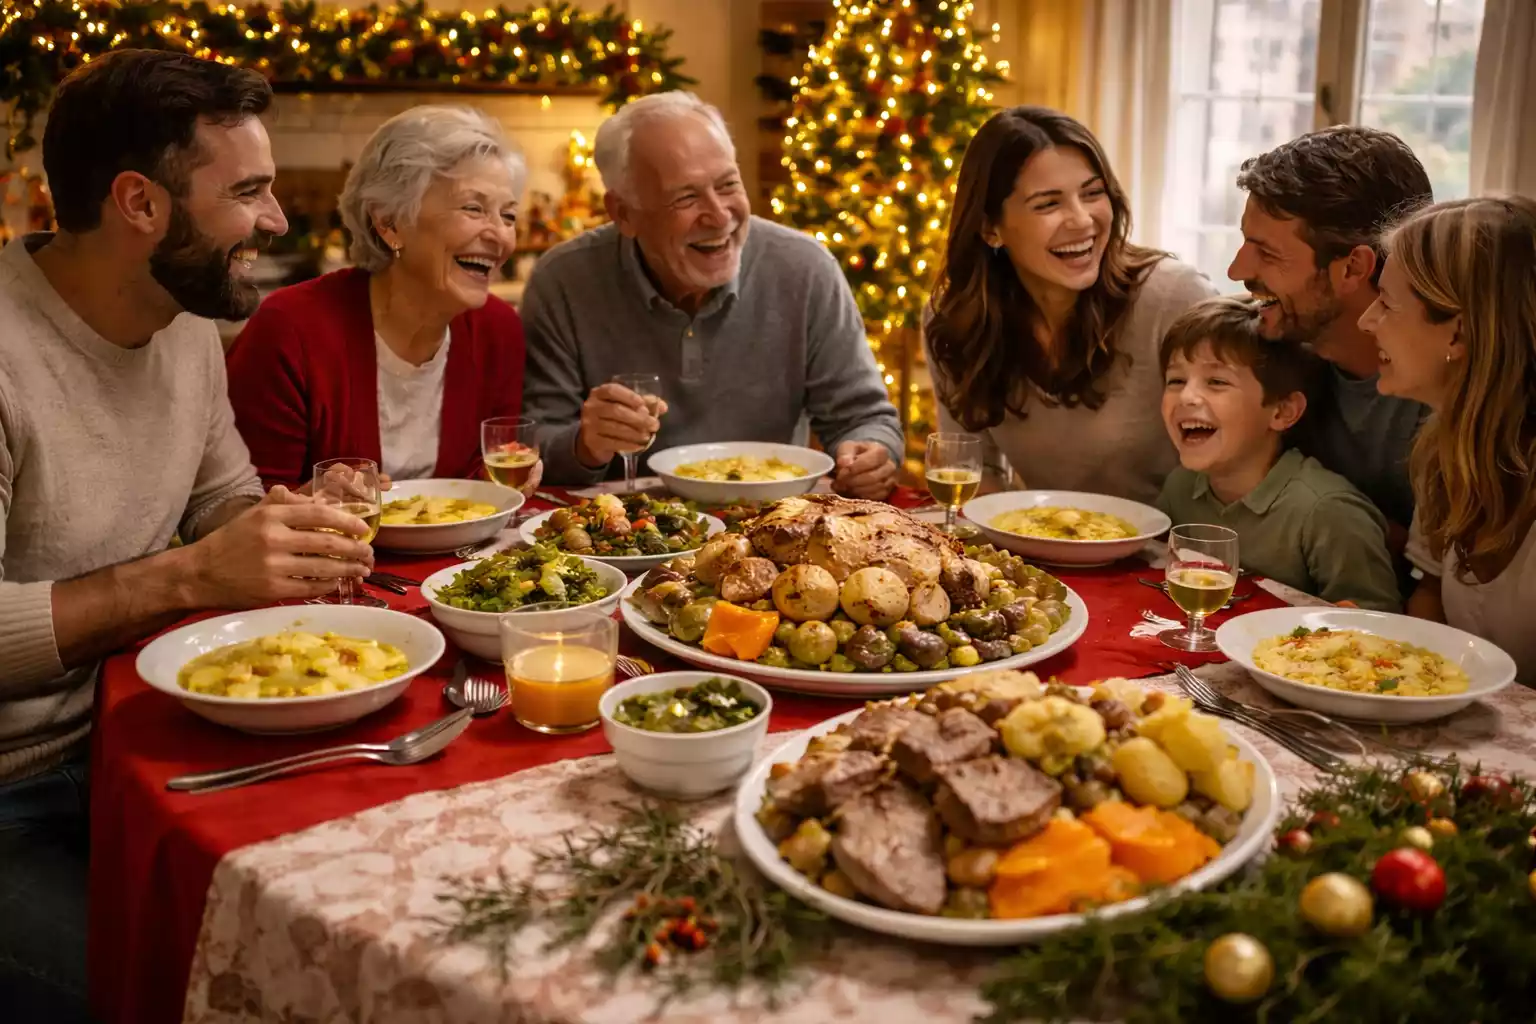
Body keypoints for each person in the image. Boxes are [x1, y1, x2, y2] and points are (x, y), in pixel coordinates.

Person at [0, 51, 376, 1017]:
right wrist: (185, 577)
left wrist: (289, 518)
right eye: (248, 192)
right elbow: (188, 568)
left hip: (145, 745)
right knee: (203, 993)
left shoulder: (182, 327)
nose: (278, 222)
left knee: (352, 904)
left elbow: (222, 502)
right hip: (17, 793)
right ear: (139, 203)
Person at [521, 91, 903, 499]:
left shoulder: (805, 268)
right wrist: (587, 444)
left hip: (773, 526)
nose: (719, 216)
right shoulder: (563, 281)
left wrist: (870, 452)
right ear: (624, 213)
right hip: (625, 536)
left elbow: (864, 417)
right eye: (686, 197)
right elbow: (532, 444)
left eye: (727, 185)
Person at [229, 106, 536, 493]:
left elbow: (480, 483)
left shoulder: (498, 330)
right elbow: (240, 509)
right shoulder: (291, 328)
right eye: (473, 208)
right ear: (388, 222)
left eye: (508, 216)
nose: (501, 236)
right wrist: (307, 500)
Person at [923, 106, 1216, 504]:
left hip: (1171, 555)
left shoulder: (1175, 299)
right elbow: (976, 477)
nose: (1082, 220)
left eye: (1093, 193)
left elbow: (1239, 468)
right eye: (1048, 204)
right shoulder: (956, 318)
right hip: (1044, 547)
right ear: (990, 228)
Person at [1359, 196, 1536, 683]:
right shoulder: (1443, 450)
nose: (1366, 320)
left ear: (1457, 333)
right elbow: (1430, 598)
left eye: (1387, 304)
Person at [1228, 125, 1433, 539]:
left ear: (1353, 268)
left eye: (1266, 253)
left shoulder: (1445, 397)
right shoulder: (1269, 349)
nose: (1236, 271)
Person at [1156, 297, 1400, 610]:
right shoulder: (1180, 487)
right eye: (1175, 380)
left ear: (1283, 412)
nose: (1186, 396)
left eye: (1216, 382)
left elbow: (1381, 626)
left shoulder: (1329, 513)